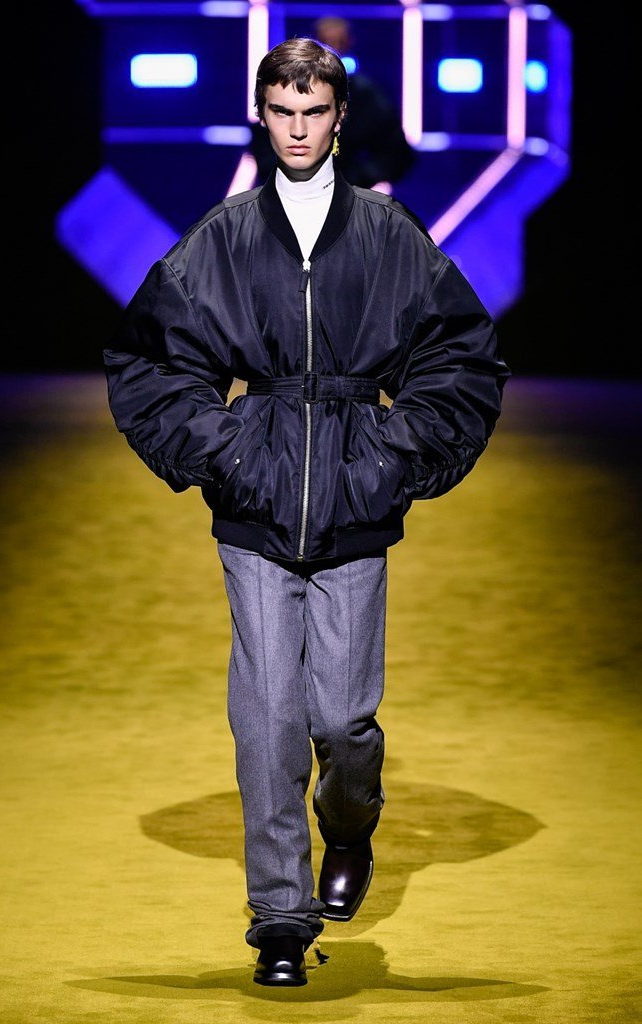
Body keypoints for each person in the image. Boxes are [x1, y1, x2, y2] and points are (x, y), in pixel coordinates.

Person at [103, 38, 510, 987]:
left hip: (353, 509)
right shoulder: (223, 237)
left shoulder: (386, 235)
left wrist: (390, 460)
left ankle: (350, 826)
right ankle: (279, 919)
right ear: (261, 114)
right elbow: (152, 359)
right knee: (268, 721)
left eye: (313, 112)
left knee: (342, 719)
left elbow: (460, 355)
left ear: (338, 118)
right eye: (281, 112)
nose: (296, 129)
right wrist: (230, 452)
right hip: (254, 510)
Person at [249, 18, 416, 189]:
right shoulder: (283, 86)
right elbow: (263, 139)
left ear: (348, 43)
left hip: (345, 193)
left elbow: (396, 152)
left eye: (338, 42)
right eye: (326, 42)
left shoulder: (364, 95)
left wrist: (357, 178)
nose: (332, 50)